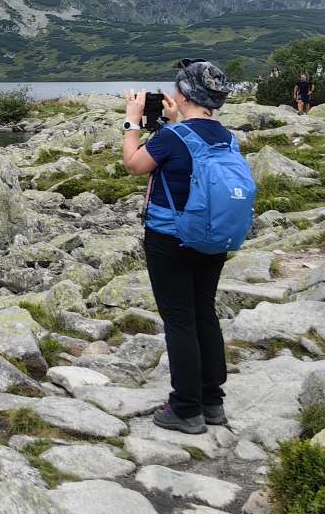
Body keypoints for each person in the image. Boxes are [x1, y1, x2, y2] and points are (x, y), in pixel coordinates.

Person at [121, 60, 236, 435]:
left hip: (170, 237)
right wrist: (171, 123)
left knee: (179, 319)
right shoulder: (225, 137)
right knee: (204, 312)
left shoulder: (173, 138)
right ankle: (212, 401)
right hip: (213, 237)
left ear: (184, 94)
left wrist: (132, 122)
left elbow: (134, 164)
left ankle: (186, 408)